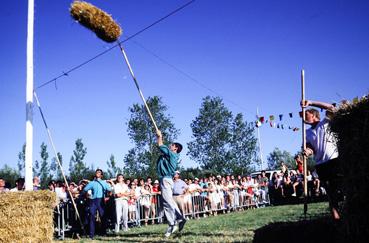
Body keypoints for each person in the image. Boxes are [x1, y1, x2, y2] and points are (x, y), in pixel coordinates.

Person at [301, 99, 342, 220]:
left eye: (305, 114)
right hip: (320, 164)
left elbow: (332, 108)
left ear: (313, 115)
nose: (303, 116)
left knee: (340, 188)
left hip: (333, 160)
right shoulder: (306, 133)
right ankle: (336, 217)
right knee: (330, 193)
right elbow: (310, 148)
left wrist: (311, 102)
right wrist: (307, 152)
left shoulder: (325, 123)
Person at [156, 129, 186, 237]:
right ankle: (174, 221)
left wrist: (159, 136)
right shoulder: (170, 155)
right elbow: (161, 148)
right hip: (166, 179)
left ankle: (176, 220)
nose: (170, 146)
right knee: (168, 202)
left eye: (172, 145)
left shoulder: (172, 155)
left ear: (175, 148)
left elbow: (160, 145)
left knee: (167, 202)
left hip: (166, 179)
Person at [83, 169, 112, 239]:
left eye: (99, 173)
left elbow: (110, 190)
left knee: (103, 217)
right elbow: (85, 190)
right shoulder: (92, 183)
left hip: (101, 200)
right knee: (92, 217)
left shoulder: (104, 183)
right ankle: (91, 235)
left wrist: (107, 197)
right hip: (93, 201)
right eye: (97, 172)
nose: (98, 173)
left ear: (101, 175)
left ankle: (103, 232)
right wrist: (87, 196)